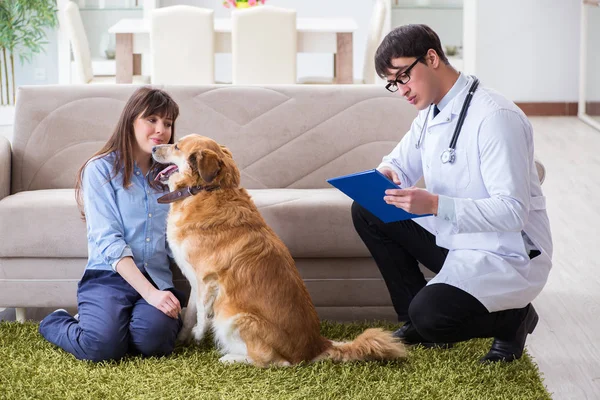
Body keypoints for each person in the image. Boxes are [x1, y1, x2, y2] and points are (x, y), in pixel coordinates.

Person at [351, 24, 552, 363]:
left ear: (431, 58)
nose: (401, 90)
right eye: (393, 84)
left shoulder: (495, 117)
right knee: (368, 209)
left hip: (508, 252)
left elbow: (513, 211)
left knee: (434, 316)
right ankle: (414, 321)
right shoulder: (431, 110)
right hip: (460, 238)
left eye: (403, 77)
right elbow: (400, 163)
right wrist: (388, 174)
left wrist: (434, 204)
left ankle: (514, 318)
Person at [39, 87, 185, 362]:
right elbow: (108, 239)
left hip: (156, 276)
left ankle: (117, 325)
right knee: (102, 348)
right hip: (108, 278)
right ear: (130, 121)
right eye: (151, 120)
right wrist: (152, 296)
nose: (161, 129)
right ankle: (56, 321)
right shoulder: (100, 170)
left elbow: (179, 233)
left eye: (167, 123)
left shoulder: (170, 176)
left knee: (154, 342)